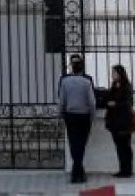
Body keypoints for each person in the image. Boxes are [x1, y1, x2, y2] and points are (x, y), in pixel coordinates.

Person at [57, 55, 96, 184]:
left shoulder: (65, 81)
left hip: (70, 115)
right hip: (84, 115)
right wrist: (92, 115)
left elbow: (61, 100)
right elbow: (92, 102)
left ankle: (76, 173)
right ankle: (78, 172)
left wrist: (60, 113)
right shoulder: (87, 82)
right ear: (82, 68)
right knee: (82, 143)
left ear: (72, 68)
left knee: (73, 142)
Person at [104, 64, 135, 179]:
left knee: (125, 146)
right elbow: (108, 98)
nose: (112, 75)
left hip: (124, 120)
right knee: (119, 146)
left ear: (120, 73)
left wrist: (116, 104)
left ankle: (127, 170)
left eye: (114, 73)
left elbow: (129, 103)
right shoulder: (114, 86)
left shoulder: (127, 86)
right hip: (114, 121)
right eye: (112, 73)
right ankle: (122, 169)